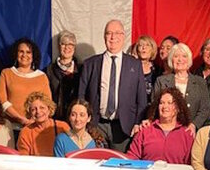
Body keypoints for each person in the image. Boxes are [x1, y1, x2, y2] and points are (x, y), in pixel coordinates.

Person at [78, 20, 148, 151]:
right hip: (96, 125)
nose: (113, 37)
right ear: (104, 37)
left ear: (123, 36)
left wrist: (137, 122)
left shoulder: (135, 65)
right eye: (109, 33)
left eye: (117, 33)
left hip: (123, 128)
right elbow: (81, 96)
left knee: (120, 168)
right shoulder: (90, 64)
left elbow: (142, 99)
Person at [127, 88, 194, 164]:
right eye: (161, 103)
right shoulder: (145, 130)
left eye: (169, 103)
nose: (165, 106)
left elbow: (191, 163)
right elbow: (132, 157)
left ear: (178, 108)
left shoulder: (187, 134)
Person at [153, 43, 210, 132]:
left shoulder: (200, 82)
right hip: (166, 129)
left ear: (189, 60)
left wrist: (194, 125)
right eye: (176, 56)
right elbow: (155, 105)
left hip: (190, 131)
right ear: (171, 60)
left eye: (184, 56)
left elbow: (205, 108)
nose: (180, 60)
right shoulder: (161, 81)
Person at [0, 38, 51, 130]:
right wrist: (20, 119)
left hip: (36, 128)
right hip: (10, 127)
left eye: (28, 52)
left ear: (33, 55)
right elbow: (1, 100)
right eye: (21, 51)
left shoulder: (42, 76)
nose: (24, 55)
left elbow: (48, 103)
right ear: (16, 54)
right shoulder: (6, 73)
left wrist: (34, 121)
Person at [17, 91, 70, 156]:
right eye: (33, 109)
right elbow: (23, 157)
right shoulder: (26, 132)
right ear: (30, 113)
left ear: (49, 109)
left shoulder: (62, 127)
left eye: (42, 108)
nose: (38, 112)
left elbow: (70, 152)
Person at [45, 30, 80, 121]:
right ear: (58, 46)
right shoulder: (49, 71)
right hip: (56, 119)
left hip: (77, 119)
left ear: (75, 47)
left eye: (70, 44)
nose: (67, 47)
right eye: (63, 44)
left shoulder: (82, 70)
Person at [134, 35, 161, 101]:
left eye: (147, 45)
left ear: (152, 49)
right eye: (140, 45)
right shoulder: (131, 68)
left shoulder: (158, 70)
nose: (143, 48)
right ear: (137, 49)